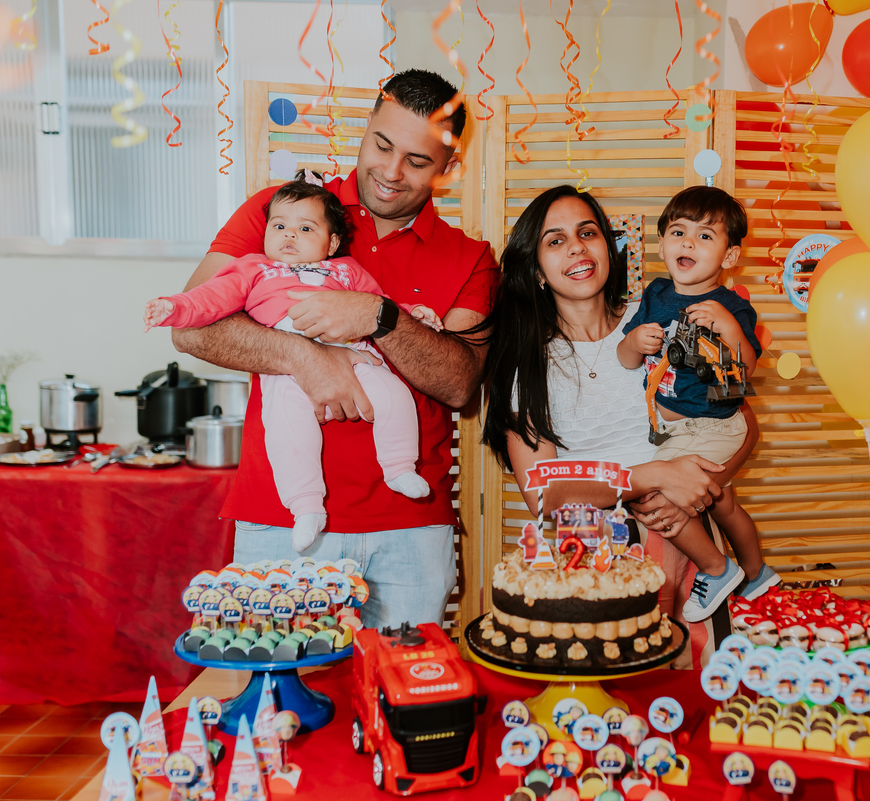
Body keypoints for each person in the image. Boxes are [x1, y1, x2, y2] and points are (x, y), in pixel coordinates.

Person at [171, 69, 498, 629]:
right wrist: (307, 358)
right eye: (382, 145)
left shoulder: (470, 257)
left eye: (418, 161)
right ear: (364, 128)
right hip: (282, 520)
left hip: (412, 529)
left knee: (404, 706)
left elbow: (461, 385)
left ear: (449, 167)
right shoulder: (284, 214)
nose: (391, 173)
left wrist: (378, 316)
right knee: (281, 710)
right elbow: (192, 328)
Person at [477, 185, 759, 650]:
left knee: (692, 698)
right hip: (596, 564)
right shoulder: (527, 363)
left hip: (692, 549)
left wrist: (694, 492)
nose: (576, 247)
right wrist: (652, 477)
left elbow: (741, 421)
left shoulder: (658, 321)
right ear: (538, 271)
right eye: (555, 240)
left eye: (587, 232)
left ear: (608, 248)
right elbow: (544, 495)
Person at [145, 172, 441, 553]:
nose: (289, 235)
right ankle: (306, 506)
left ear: (331, 242)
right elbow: (211, 298)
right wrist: (174, 307)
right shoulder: (253, 267)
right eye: (280, 225)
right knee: (287, 430)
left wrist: (414, 314)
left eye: (305, 228)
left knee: (394, 395)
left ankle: (400, 466)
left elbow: (381, 304)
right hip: (285, 368)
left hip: (354, 352)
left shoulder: (347, 270)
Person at [617, 186, 779, 621]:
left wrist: (728, 327)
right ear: (663, 242)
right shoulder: (654, 294)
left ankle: (716, 567)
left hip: (712, 425)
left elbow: (745, 372)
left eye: (705, 236)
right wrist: (633, 342)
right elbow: (626, 358)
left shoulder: (730, 306)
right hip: (675, 426)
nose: (688, 242)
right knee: (723, 502)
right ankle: (757, 572)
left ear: (729, 258)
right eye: (678, 231)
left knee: (651, 496)